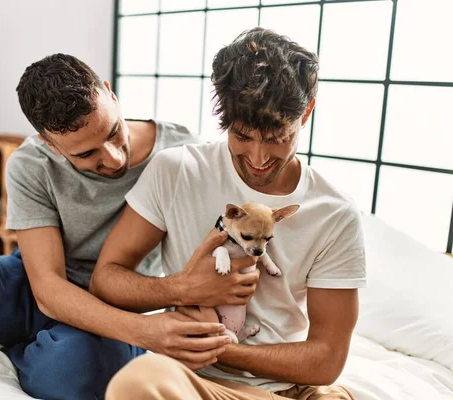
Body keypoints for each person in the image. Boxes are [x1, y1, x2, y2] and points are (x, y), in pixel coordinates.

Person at [0, 54, 258, 400]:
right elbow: (46, 286)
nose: (111, 158)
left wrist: (151, 323)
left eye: (112, 132)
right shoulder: (31, 164)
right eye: (86, 154)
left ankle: (29, 349)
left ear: (110, 94)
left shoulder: (179, 153)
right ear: (50, 143)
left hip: (121, 302)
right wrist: (145, 334)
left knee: (70, 370)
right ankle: (35, 336)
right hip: (39, 285)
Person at [90, 27, 366, 400]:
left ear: (307, 112)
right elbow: (105, 280)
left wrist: (222, 347)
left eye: (276, 138)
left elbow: (327, 359)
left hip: (279, 392)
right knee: (137, 382)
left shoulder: (334, 214)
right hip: (190, 383)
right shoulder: (177, 170)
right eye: (242, 135)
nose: (257, 158)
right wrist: (181, 287)